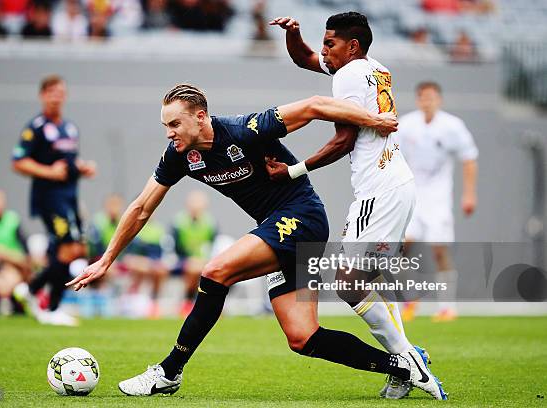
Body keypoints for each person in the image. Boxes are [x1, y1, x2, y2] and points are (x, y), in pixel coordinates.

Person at [67, 83, 442, 399]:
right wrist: (106, 259)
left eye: (174, 123)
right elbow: (141, 207)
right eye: (166, 125)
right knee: (303, 338)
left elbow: (313, 106)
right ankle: (404, 365)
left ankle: (169, 371)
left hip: (304, 217)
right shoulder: (181, 155)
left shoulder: (244, 130)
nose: (169, 132)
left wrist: (373, 119)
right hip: (280, 230)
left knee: (216, 271)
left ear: (201, 117)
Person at [269, 12, 446, 399]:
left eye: (329, 43)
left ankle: (406, 361)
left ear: (352, 46)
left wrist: (293, 170)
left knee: (349, 284)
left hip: (379, 190)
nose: (323, 50)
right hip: (392, 185)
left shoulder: (348, 75)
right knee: (367, 282)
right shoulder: (371, 68)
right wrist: (294, 35)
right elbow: (304, 59)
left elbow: (344, 139)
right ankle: (403, 369)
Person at [12, 75, 97, 326]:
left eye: (60, 92)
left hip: (70, 196)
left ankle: (30, 289)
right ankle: (51, 308)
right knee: (68, 249)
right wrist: (48, 172)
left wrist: (81, 168)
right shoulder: (35, 128)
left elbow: (67, 163)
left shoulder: (69, 128)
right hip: (50, 198)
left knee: (79, 250)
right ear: (42, 96)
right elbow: (18, 161)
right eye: (51, 92)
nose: (56, 96)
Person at [397, 81, 478, 322]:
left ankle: (447, 306)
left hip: (438, 198)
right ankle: (410, 300)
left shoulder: (452, 126)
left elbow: (469, 158)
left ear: (439, 100)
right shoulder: (407, 125)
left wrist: (469, 194)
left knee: (439, 249)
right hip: (412, 196)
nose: (427, 102)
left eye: (431, 97)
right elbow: (394, 159)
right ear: (418, 100)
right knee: (401, 247)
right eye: (423, 97)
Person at [89, 193, 168, 318]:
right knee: (108, 269)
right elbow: (93, 248)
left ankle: (133, 300)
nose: (114, 209)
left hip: (121, 261)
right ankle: (106, 300)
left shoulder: (126, 222)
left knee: (143, 266)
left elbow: (132, 247)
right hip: (100, 261)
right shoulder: (98, 223)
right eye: (112, 205)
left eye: (117, 205)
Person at [172, 190, 217, 316]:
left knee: (212, 270)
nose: (196, 206)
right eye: (194, 203)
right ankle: (188, 301)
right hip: (182, 261)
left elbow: (212, 246)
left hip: (204, 261)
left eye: (199, 203)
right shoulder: (179, 222)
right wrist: (190, 258)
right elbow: (176, 248)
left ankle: (209, 305)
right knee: (193, 268)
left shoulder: (210, 223)